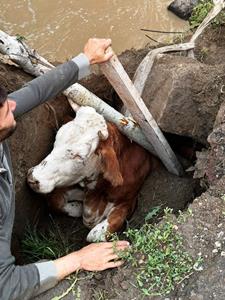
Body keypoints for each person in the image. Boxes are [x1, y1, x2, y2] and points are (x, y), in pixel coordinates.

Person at [0, 38, 129, 300]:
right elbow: (5, 286)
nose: (13, 105)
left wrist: (85, 59)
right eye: (4, 109)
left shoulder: (5, 112)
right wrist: (78, 259)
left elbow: (33, 92)